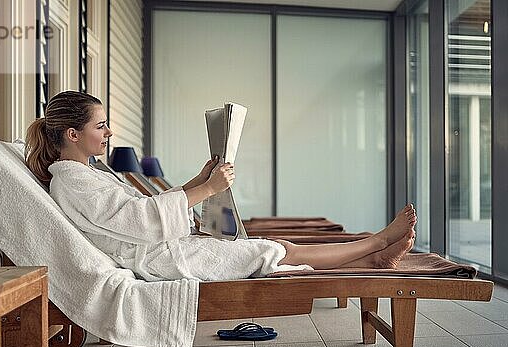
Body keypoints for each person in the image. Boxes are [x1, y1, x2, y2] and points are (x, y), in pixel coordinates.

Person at [25, 91, 416, 282]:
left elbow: (148, 209)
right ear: (73, 133)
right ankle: (376, 242)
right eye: (100, 126)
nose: (109, 132)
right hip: (158, 259)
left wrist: (200, 180)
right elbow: (137, 219)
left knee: (269, 248)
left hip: (164, 246)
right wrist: (208, 191)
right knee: (273, 250)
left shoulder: (88, 175)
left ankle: (372, 261)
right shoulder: (73, 182)